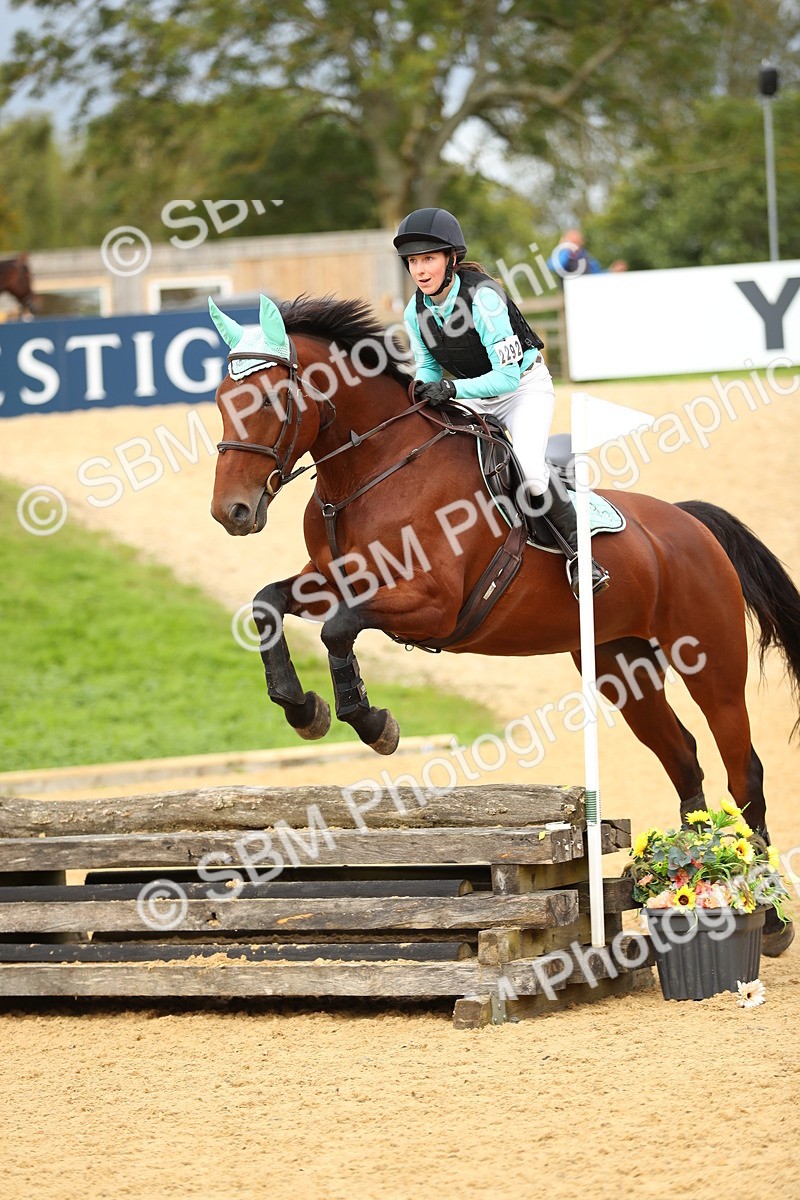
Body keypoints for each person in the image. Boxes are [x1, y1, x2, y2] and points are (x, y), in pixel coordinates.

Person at [394, 207, 609, 599]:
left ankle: (582, 556)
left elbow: (507, 377)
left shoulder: (485, 297)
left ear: (451, 260)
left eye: (428, 259)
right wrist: (420, 391)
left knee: (529, 469)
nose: (420, 270)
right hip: (475, 397)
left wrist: (452, 391)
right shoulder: (415, 310)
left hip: (522, 391)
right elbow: (427, 364)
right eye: (413, 262)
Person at [547, 229, 627, 282]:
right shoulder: (561, 256)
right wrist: (565, 250)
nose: (575, 245)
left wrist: (610, 272)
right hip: (569, 299)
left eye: (577, 242)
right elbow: (554, 267)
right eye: (572, 242)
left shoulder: (587, 258)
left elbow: (596, 275)